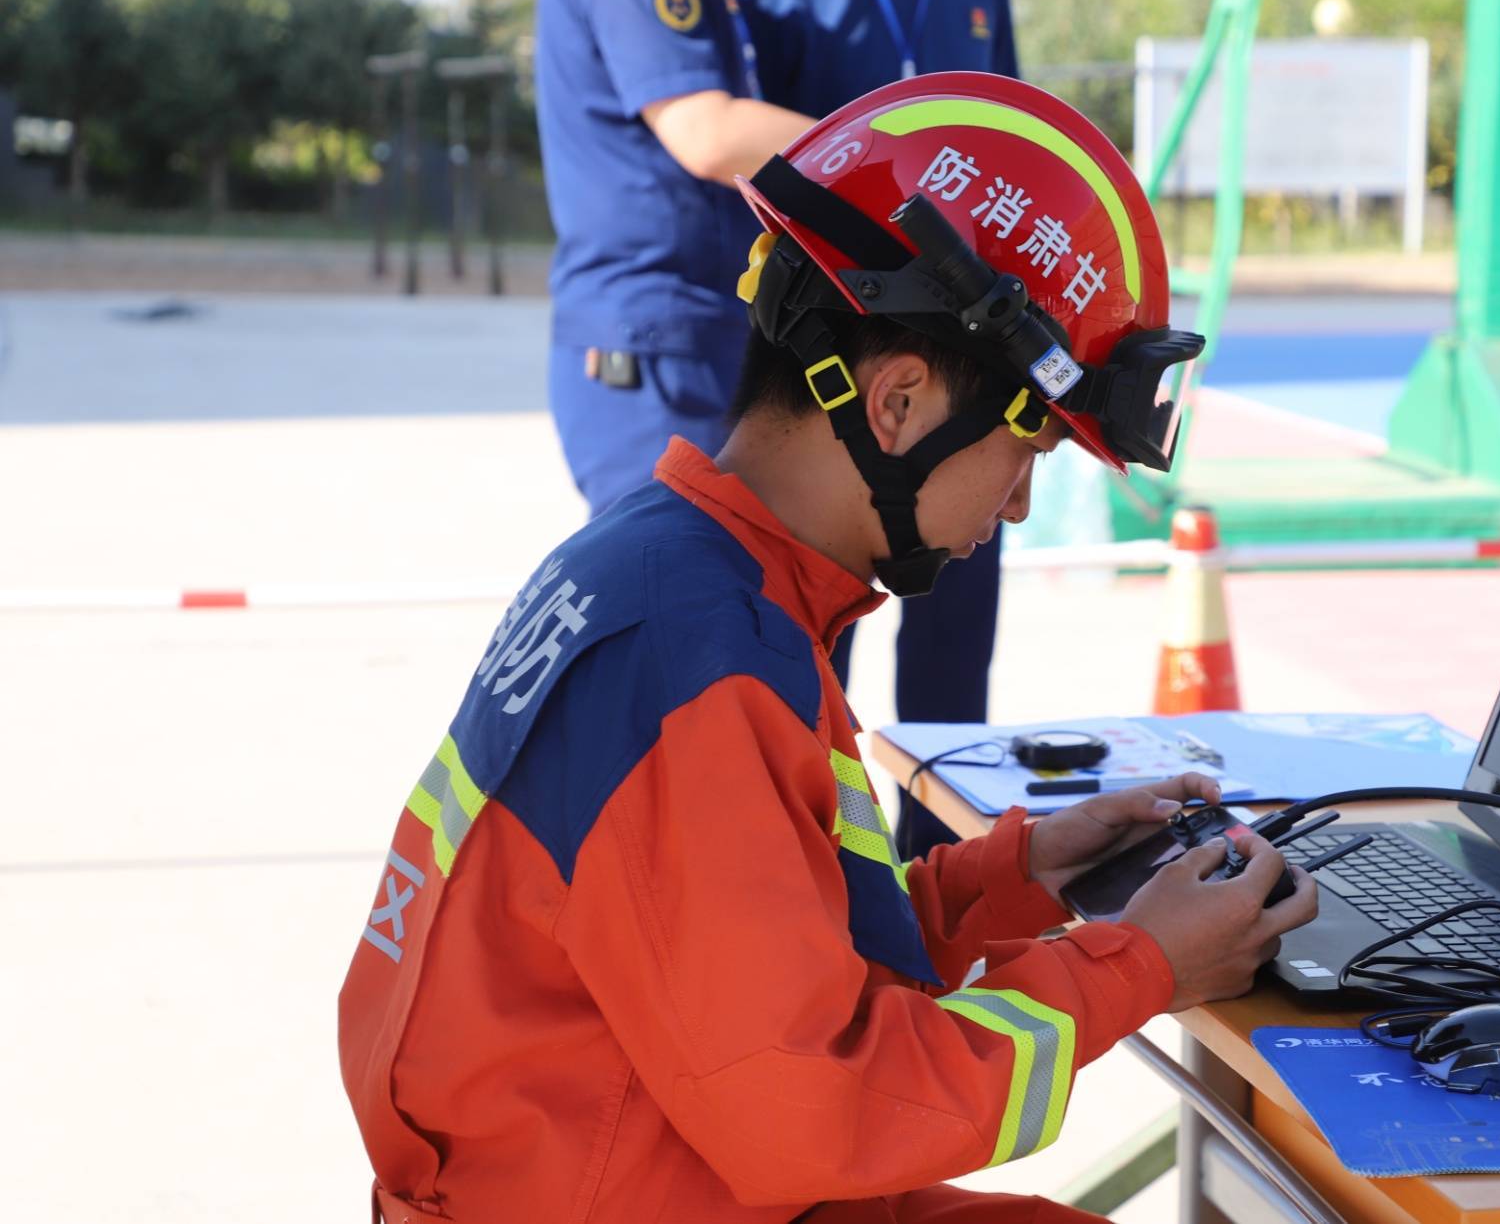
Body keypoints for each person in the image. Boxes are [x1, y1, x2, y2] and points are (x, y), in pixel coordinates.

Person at [338, 74, 1315, 1223]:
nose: (1011, 509)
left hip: (648, 1165)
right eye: (1030, 451)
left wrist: (1020, 874)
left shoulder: (682, 576)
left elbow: (760, 955)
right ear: (896, 403)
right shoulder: (700, 661)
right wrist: (1136, 965)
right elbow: (819, 1110)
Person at [730, 0, 1020, 739]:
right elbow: (744, 166)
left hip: (968, 357)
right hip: (834, 359)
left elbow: (1009, 144)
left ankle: (946, 857)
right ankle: (819, 855)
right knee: (815, 638)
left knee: (955, 650)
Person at [535, 0, 815, 514]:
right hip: (660, 340)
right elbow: (706, 134)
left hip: (678, 335)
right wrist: (893, 149)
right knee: (676, 590)